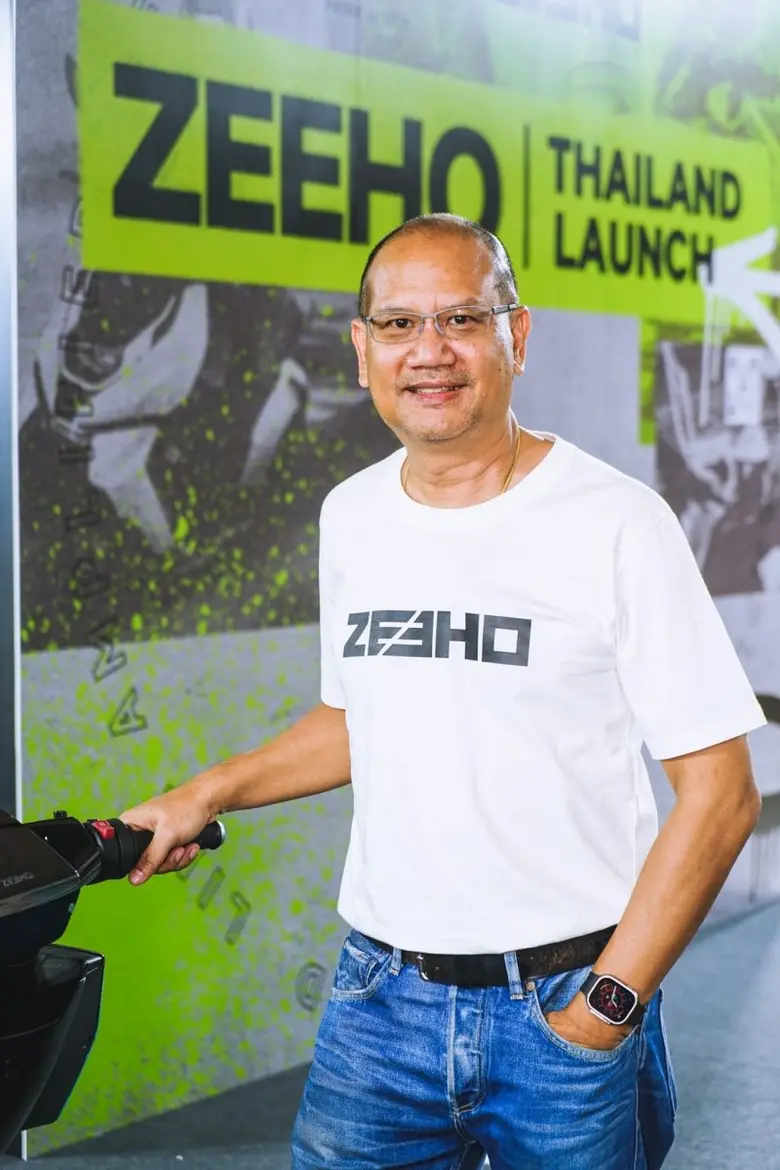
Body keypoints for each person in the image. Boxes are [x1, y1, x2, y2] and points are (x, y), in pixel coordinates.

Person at [120, 213, 767, 1169]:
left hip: (566, 1002)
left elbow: (721, 794)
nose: (429, 351)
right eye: (398, 324)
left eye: (462, 318)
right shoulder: (353, 514)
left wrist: (608, 1006)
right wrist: (204, 793)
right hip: (377, 1007)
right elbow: (359, 719)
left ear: (517, 335)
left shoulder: (618, 523)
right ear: (362, 349)